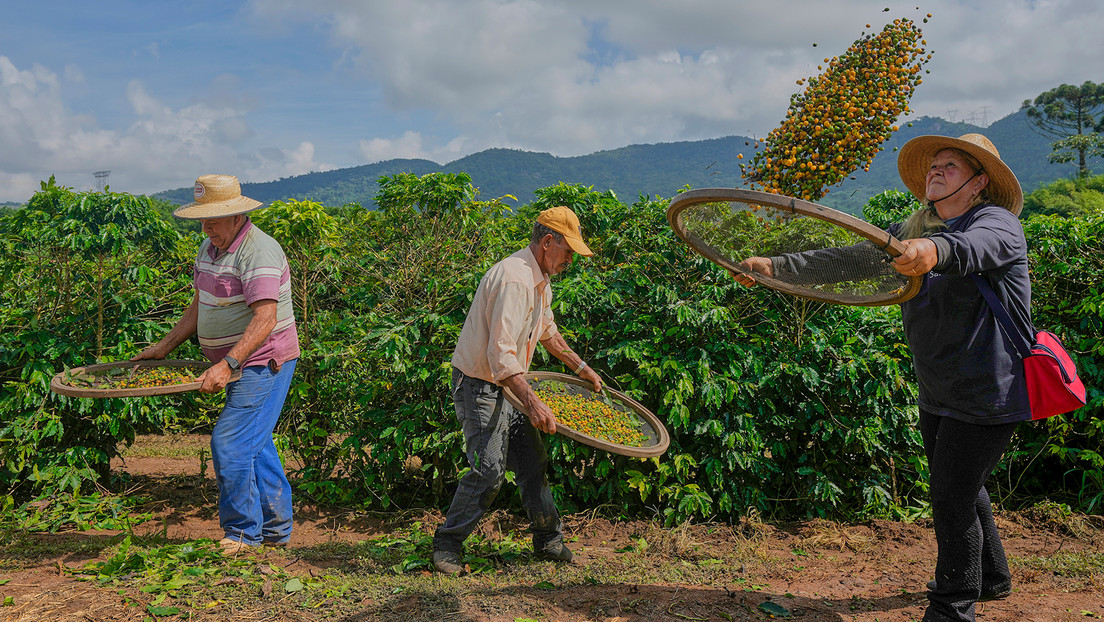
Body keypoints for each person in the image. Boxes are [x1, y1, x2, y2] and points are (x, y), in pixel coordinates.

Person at [735, 134, 1030, 622]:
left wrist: (933, 251)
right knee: (958, 481)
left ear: (978, 184)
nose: (936, 171)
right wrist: (777, 266)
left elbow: (975, 247)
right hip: (939, 386)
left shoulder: (995, 222)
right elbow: (850, 258)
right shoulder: (915, 227)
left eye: (950, 167)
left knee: (950, 496)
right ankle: (993, 578)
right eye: (934, 166)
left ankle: (952, 608)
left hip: (988, 390)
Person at [432, 206, 604, 575]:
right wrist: (535, 403)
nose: (570, 259)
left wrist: (582, 367)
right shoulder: (515, 279)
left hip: (511, 384)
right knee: (488, 471)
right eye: (568, 251)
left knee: (532, 463)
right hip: (480, 384)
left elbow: (548, 331)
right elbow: (500, 355)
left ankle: (548, 539)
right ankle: (447, 545)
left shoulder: (539, 279)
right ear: (547, 242)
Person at [134, 174, 300, 555]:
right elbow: (200, 305)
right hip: (239, 362)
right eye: (202, 219)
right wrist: (165, 345)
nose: (206, 227)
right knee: (254, 443)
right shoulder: (209, 248)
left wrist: (227, 364)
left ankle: (242, 534)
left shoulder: (259, 251)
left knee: (230, 442)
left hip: (263, 361)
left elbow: (265, 320)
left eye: (213, 219)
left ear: (237, 216)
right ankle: (275, 529)